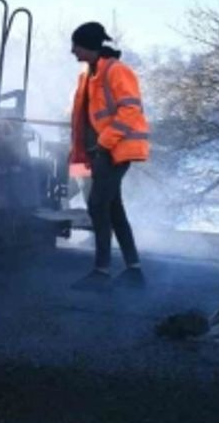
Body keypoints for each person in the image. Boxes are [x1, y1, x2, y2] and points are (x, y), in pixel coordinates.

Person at [67, 22, 151, 291]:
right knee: (113, 208)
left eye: (76, 46)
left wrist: (104, 143)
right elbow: (84, 114)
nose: (72, 51)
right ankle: (133, 270)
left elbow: (130, 111)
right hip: (90, 152)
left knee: (97, 205)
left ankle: (101, 271)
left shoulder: (117, 71)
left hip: (112, 151)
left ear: (89, 47)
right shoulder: (86, 74)